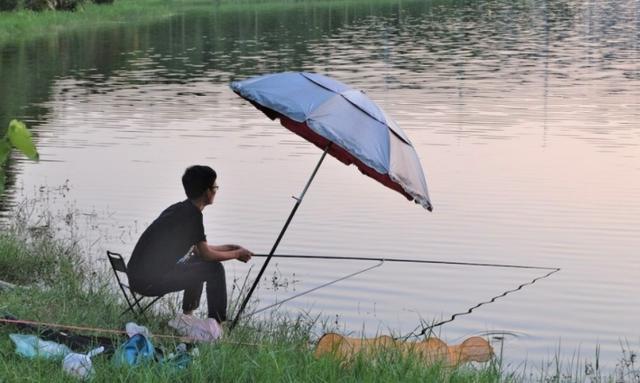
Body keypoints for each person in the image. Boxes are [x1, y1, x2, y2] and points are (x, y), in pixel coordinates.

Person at [127, 165, 252, 324]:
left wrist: (230, 247)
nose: (216, 191)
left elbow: (199, 250)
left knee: (198, 262)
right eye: (215, 187)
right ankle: (218, 325)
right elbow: (206, 254)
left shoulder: (179, 209)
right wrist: (236, 254)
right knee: (214, 269)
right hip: (148, 282)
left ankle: (187, 317)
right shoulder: (193, 217)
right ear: (207, 192)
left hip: (137, 276)